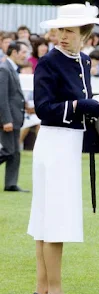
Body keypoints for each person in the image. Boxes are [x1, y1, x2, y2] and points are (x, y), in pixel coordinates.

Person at [27, 3, 99, 294]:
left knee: (49, 219)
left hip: (71, 142)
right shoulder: (48, 62)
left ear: (85, 34)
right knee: (53, 220)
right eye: (60, 30)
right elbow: (45, 109)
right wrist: (78, 106)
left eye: (69, 31)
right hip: (54, 142)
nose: (62, 36)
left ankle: (42, 288)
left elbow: (85, 98)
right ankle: (55, 292)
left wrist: (98, 105)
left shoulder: (83, 60)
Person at [0, 41, 29, 192]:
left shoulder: (11, 68)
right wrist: (6, 120)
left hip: (15, 117)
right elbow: (2, 97)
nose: (26, 56)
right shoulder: (4, 69)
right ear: (14, 52)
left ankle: (11, 184)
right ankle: (10, 183)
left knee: (15, 152)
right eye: (24, 52)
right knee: (8, 151)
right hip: (8, 119)